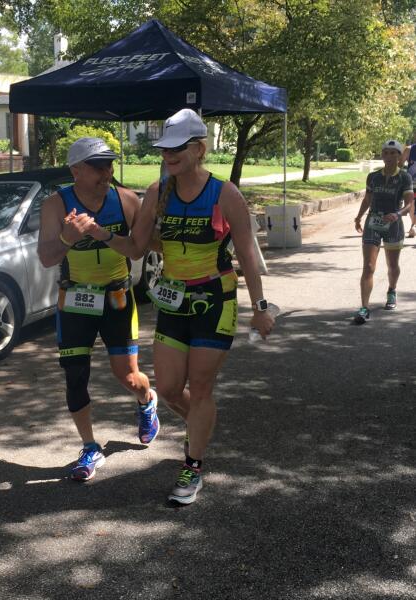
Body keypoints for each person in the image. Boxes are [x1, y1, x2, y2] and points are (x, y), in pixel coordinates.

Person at [85, 109, 274, 504]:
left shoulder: (225, 193)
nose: (168, 154)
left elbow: (247, 253)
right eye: (164, 148)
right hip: (173, 299)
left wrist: (261, 305)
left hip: (214, 299)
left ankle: (193, 466)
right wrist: (100, 233)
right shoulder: (158, 192)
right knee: (170, 388)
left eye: (177, 147)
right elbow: (136, 247)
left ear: (199, 149)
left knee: (201, 386)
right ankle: (201, 424)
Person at [38, 137, 159, 481]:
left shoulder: (125, 200)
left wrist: (102, 234)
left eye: (109, 165)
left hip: (116, 298)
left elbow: (137, 251)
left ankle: (146, 400)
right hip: (74, 300)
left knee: (129, 377)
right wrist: (66, 238)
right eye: (98, 167)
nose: (107, 172)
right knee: (75, 375)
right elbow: (46, 258)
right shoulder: (55, 205)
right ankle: (90, 447)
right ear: (76, 170)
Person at [353, 139, 413, 324]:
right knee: (369, 267)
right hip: (373, 222)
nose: (388, 156)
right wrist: (358, 217)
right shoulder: (373, 177)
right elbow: (367, 199)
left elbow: (410, 203)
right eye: (385, 153)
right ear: (382, 155)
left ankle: (392, 290)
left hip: (393, 224)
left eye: (393, 153)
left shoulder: (404, 177)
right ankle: (364, 307)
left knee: (392, 265)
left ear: (399, 156)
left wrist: (397, 214)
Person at [399, 135, 416, 237]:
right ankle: (413, 225)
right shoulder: (409, 150)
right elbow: (400, 164)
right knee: (412, 204)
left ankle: (413, 226)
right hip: (412, 182)